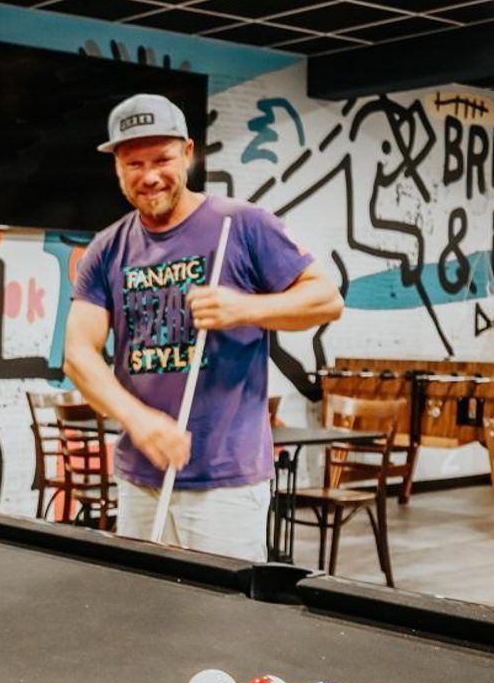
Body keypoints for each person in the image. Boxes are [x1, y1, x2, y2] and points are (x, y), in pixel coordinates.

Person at [62, 94, 344, 561]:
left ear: (188, 153)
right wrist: (139, 421)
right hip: (139, 477)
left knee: (221, 623)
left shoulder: (243, 224)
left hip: (225, 483)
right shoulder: (107, 248)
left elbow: (326, 300)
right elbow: (78, 354)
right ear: (117, 167)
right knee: (141, 613)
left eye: (162, 159)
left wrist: (244, 309)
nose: (149, 175)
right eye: (134, 163)